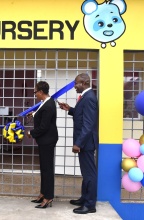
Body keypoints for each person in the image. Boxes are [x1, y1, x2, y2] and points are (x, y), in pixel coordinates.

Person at [58, 73, 98, 215]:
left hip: (86, 143)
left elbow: (88, 123)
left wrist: (78, 143)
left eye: (76, 83)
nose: (74, 86)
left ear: (85, 83)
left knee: (90, 175)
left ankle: (90, 205)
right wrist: (70, 109)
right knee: (86, 173)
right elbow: (82, 116)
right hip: (84, 143)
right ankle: (84, 199)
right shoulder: (85, 97)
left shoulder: (89, 98)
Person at [27, 81, 58, 209]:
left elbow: (44, 126)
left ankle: (48, 197)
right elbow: (42, 114)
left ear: (40, 92)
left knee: (47, 169)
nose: (35, 94)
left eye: (35, 92)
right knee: (44, 168)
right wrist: (34, 114)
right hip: (45, 140)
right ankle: (43, 193)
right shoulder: (45, 103)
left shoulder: (49, 104)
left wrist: (31, 133)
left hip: (47, 140)